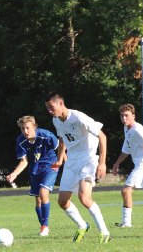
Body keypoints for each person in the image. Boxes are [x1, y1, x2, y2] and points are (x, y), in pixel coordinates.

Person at [45, 91, 111, 243]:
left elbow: (102, 136)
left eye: (51, 107)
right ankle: (82, 225)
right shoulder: (56, 120)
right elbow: (62, 139)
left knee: (84, 198)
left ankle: (105, 232)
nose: (50, 111)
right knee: (62, 201)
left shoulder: (79, 117)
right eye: (47, 108)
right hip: (72, 162)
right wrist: (60, 159)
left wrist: (102, 163)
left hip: (88, 160)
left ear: (60, 103)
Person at [6, 116, 60, 236]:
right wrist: (14, 174)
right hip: (35, 170)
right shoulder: (20, 141)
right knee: (38, 200)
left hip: (50, 166)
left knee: (43, 192)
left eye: (28, 128)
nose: (25, 131)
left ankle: (45, 226)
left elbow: (61, 145)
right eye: (22, 128)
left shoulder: (45, 135)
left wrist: (61, 161)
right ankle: (43, 226)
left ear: (34, 127)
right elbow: (24, 161)